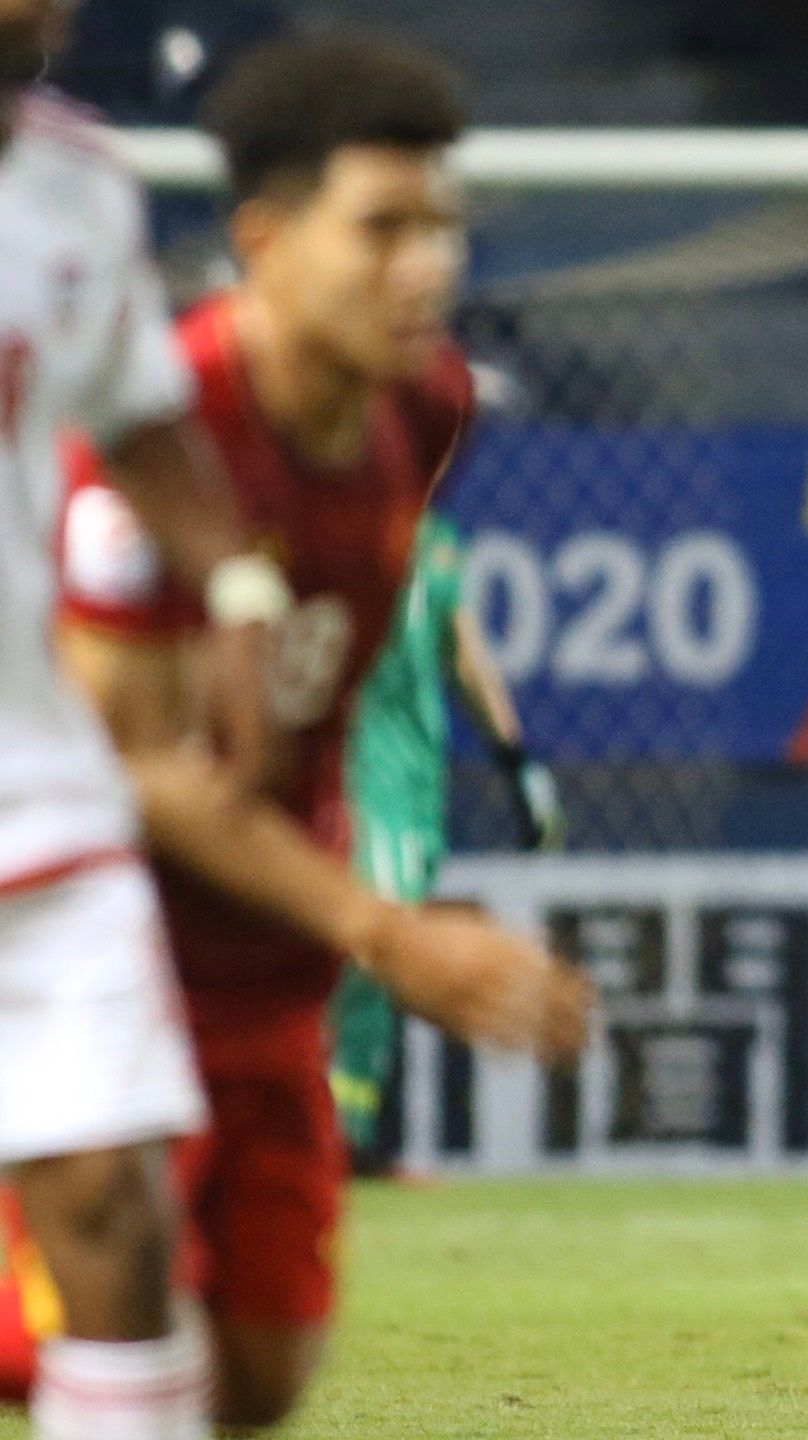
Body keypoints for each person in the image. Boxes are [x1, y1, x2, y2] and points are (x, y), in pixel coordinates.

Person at [37, 31, 591, 1429]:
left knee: (260, 1375)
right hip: (102, 952)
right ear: (263, 238)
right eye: (382, 230)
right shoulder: (159, 438)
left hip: (269, 972)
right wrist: (392, 932)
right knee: (103, 1301)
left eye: (443, 229)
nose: (426, 268)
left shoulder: (429, 403)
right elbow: (149, 767)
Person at [0, 2, 282, 1434]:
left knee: (116, 1208)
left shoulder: (78, 188)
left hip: (34, 776)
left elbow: (141, 418)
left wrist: (234, 583)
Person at [333, 506, 563, 1172]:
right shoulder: (339, 512)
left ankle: (347, 1128)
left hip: (414, 782)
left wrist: (516, 764)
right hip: (354, 772)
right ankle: (343, 1139)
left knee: (380, 942)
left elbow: (463, 651)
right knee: (368, 937)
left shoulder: (432, 540)